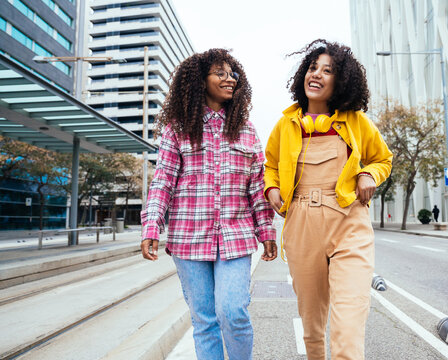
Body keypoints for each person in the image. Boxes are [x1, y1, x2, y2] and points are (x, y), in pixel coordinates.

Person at [140, 48, 277, 360]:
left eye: (233, 74)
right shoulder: (178, 128)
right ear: (201, 81)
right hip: (188, 239)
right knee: (204, 321)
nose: (229, 79)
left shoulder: (247, 130)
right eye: (221, 73)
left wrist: (266, 231)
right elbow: (163, 179)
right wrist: (151, 225)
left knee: (233, 312)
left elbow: (257, 186)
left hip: (236, 236)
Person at [264, 39, 392, 360]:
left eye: (328, 70)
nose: (316, 74)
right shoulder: (285, 125)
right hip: (302, 225)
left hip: (349, 222)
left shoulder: (356, 122)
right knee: (312, 323)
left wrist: (368, 175)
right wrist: (272, 190)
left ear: (341, 81)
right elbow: (270, 166)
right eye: (312, 68)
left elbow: (382, 159)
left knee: (348, 322)